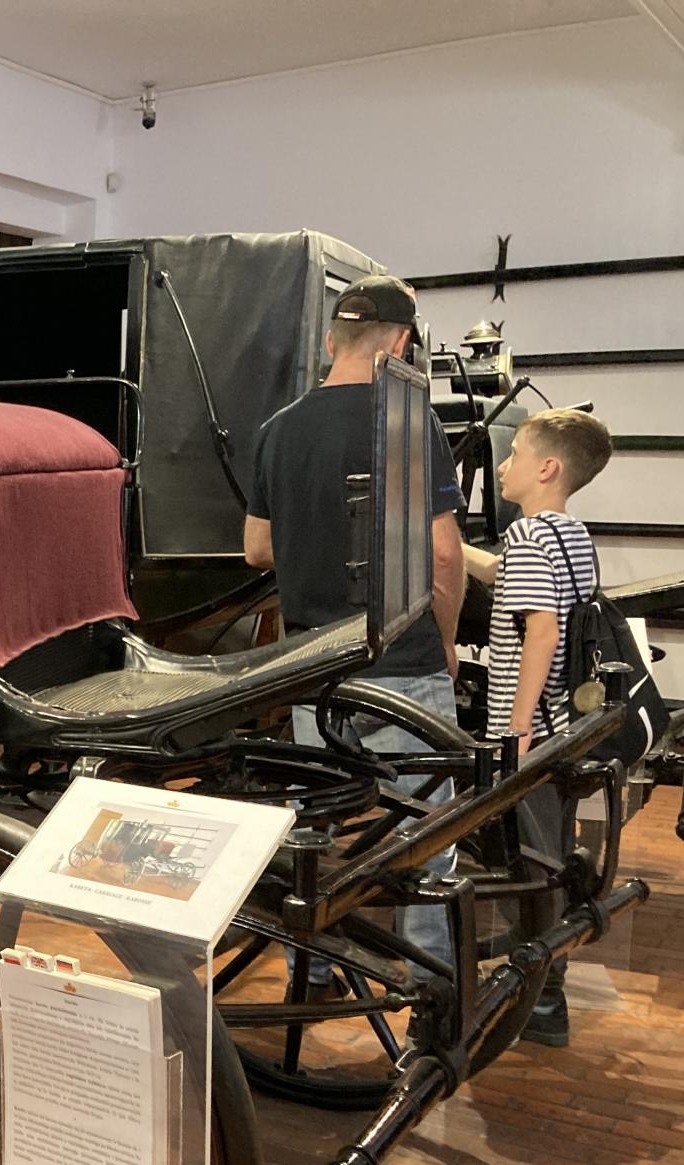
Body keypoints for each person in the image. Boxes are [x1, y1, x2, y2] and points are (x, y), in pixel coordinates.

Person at [244, 274, 466, 1003]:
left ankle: (309, 977)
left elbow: (255, 550)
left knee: (321, 834)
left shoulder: (278, 429)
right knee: (425, 838)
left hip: (315, 669)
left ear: (331, 339)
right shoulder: (409, 421)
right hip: (402, 665)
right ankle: (428, 992)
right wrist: (449, 640)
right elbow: (441, 555)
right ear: (400, 343)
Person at [462, 407, 613, 1046]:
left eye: (515, 453)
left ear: (546, 467)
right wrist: (445, 543)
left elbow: (541, 631)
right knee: (549, 851)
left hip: (534, 727)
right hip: (569, 723)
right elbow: (508, 580)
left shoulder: (528, 538)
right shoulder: (568, 534)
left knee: (535, 863)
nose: (503, 464)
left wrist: (517, 729)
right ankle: (542, 978)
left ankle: (543, 1002)